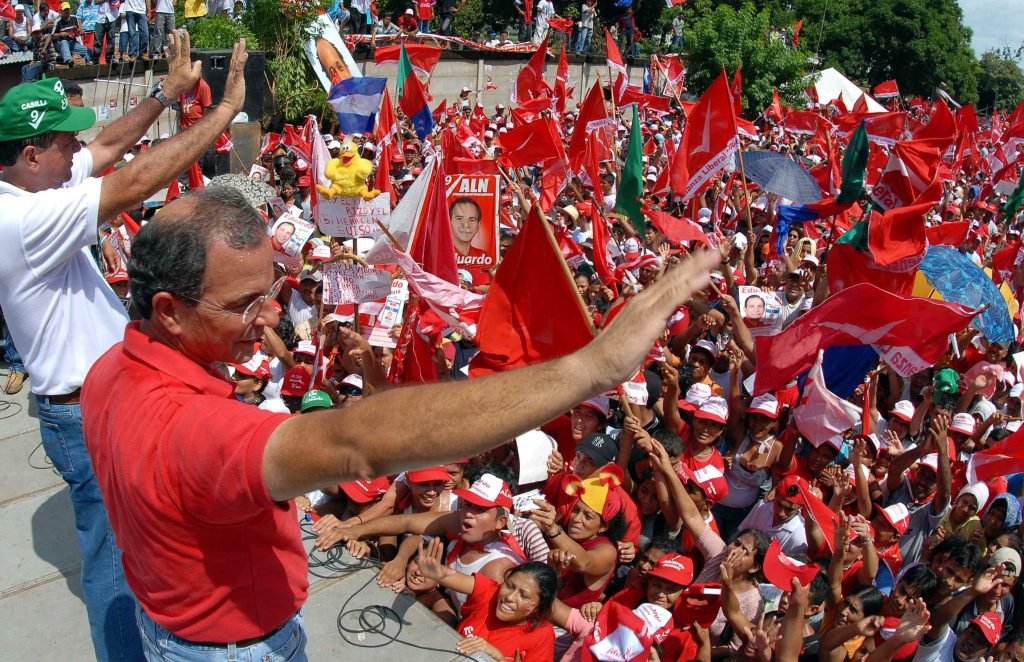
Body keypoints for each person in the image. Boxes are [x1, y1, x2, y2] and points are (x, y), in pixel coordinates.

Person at [0, 31, 249, 662]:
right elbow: (133, 177)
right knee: (115, 567)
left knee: (135, 551)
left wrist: (165, 95)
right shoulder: (23, 221)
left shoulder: (32, 188)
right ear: (31, 156)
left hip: (96, 401)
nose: (78, 149)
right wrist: (218, 116)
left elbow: (110, 145)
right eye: (63, 143)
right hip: (82, 412)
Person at [417, 537, 558, 661]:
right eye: (509, 586)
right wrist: (436, 573)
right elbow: (452, 577)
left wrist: (498, 658)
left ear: (538, 606)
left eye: (524, 596)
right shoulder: (490, 593)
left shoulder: (542, 634)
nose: (509, 597)